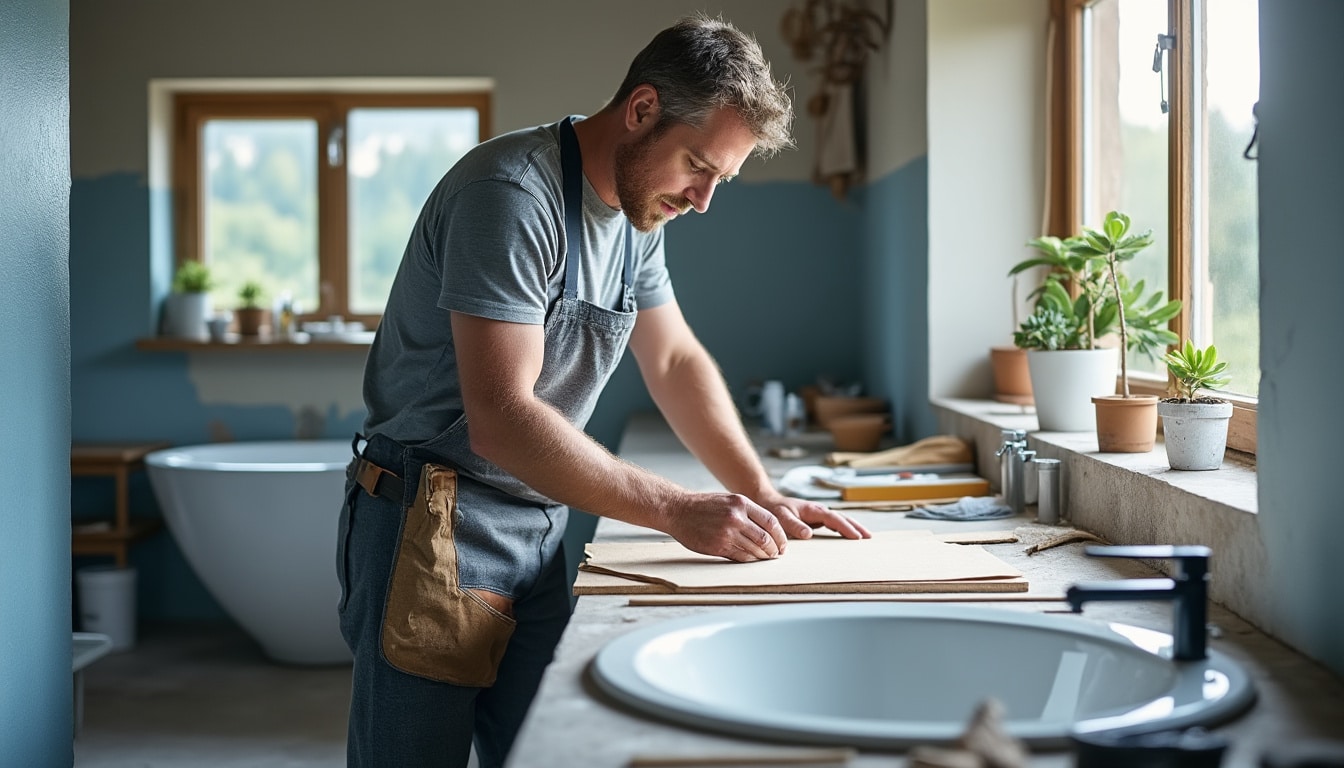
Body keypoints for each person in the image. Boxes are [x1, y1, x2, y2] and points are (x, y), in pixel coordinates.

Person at [337, 13, 872, 768]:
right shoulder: (511, 196)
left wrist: (760, 492)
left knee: (541, 750)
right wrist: (678, 510)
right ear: (642, 109)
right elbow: (503, 418)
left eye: (720, 179)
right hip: (431, 523)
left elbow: (675, 359)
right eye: (697, 166)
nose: (703, 200)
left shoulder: (637, 213)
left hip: (534, 523)